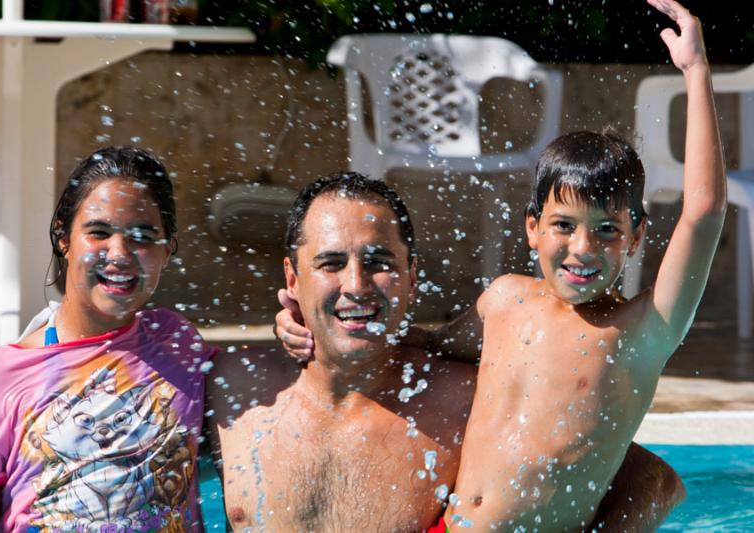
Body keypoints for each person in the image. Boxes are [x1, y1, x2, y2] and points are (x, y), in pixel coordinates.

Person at [278, 0, 719, 530]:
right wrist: (312, 329)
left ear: (637, 236)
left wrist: (696, 71)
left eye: (607, 230)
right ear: (532, 227)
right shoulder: (506, 299)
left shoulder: (643, 330)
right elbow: (427, 345)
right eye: (563, 225)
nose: (582, 248)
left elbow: (703, 211)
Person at [214, 172, 684, 532]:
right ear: (293, 279)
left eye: (379, 263)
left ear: (412, 276)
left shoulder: (461, 397)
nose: (356, 285)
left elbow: (651, 482)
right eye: (331, 263)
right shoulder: (231, 389)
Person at [0, 147, 215, 532]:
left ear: (168, 247)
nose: (120, 254)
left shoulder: (177, 344)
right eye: (99, 232)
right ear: (63, 238)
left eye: (143, 236)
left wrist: (292, 326)